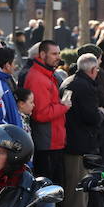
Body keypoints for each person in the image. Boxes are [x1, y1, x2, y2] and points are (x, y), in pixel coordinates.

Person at [60, 53, 104, 207]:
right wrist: (100, 113)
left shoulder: (69, 81)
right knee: (78, 182)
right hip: (79, 141)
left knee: (76, 181)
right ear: (93, 70)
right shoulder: (84, 86)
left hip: (70, 140)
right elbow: (91, 116)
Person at [24, 40, 71, 188]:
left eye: (59, 53)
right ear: (42, 54)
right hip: (47, 143)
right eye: (54, 54)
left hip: (53, 141)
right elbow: (40, 114)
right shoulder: (38, 78)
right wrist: (64, 106)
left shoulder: (47, 74)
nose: (58, 57)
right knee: (49, 190)